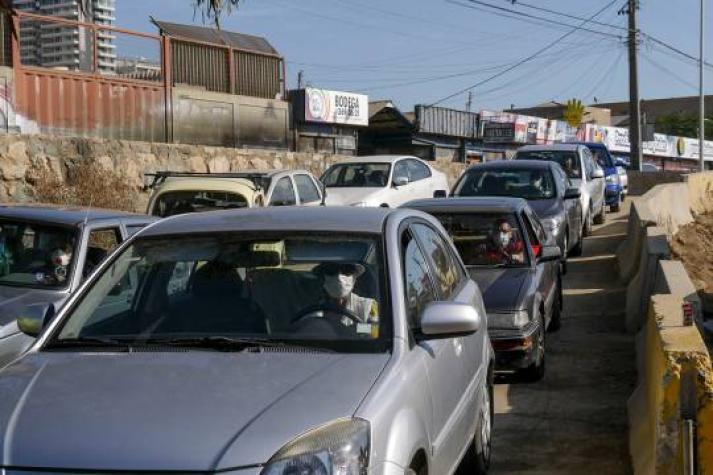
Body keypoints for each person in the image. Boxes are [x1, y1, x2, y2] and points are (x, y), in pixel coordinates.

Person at [313, 261, 379, 327]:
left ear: (354, 278)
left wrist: (356, 329)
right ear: (323, 278)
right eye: (331, 270)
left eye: (347, 270)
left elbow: (373, 332)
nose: (339, 277)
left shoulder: (368, 306)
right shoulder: (313, 311)